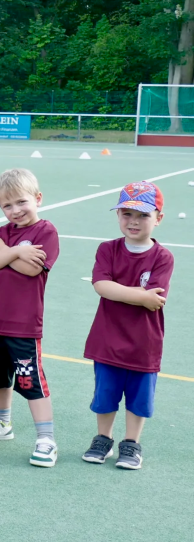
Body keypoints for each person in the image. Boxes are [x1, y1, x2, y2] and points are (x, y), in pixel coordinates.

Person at [81, 182, 173, 470]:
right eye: (127, 214)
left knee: (139, 398)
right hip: (107, 339)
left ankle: (131, 443)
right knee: (105, 394)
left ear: (158, 218)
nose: (133, 221)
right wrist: (140, 296)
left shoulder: (162, 257)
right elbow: (101, 286)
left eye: (143, 215)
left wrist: (123, 292)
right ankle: (103, 438)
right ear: (118, 215)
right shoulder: (107, 249)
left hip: (144, 343)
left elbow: (155, 300)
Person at [0, 168, 60, 467]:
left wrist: (6, 252)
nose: (15, 210)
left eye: (21, 202)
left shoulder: (45, 232)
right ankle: (2, 423)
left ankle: (46, 439)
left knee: (31, 382)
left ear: (38, 198)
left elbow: (32, 269)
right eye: (7, 205)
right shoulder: (1, 233)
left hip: (23, 326)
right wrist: (15, 252)